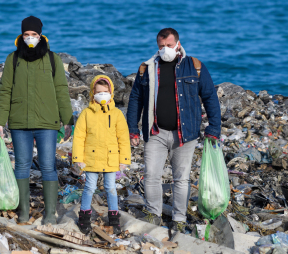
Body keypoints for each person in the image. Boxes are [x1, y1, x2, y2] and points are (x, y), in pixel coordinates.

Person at [126, 28, 221, 233]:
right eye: (161, 46)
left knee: (182, 178)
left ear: (178, 44)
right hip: (156, 132)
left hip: (184, 134)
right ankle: (153, 214)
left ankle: (178, 218)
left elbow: (210, 97)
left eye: (169, 46)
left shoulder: (194, 66)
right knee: (151, 174)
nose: (165, 50)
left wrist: (214, 128)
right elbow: (136, 99)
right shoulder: (147, 68)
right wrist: (132, 129)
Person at [0, 16, 73, 225]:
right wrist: (0, 121)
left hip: (47, 123)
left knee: (48, 166)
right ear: (21, 35)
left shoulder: (52, 59)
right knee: (21, 166)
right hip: (19, 123)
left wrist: (67, 120)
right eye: (27, 35)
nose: (30, 38)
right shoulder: (13, 59)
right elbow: (6, 91)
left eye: (34, 35)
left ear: (41, 36)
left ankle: (49, 214)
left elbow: (61, 91)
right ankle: (23, 212)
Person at [72, 75, 131, 234]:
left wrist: (124, 159)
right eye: (99, 92)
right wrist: (78, 157)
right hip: (91, 158)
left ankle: (114, 219)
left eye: (105, 91)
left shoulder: (117, 114)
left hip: (111, 158)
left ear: (111, 92)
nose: (102, 95)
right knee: (89, 187)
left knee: (110, 188)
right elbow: (79, 136)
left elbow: (123, 138)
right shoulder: (86, 113)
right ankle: (84, 218)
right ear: (93, 93)